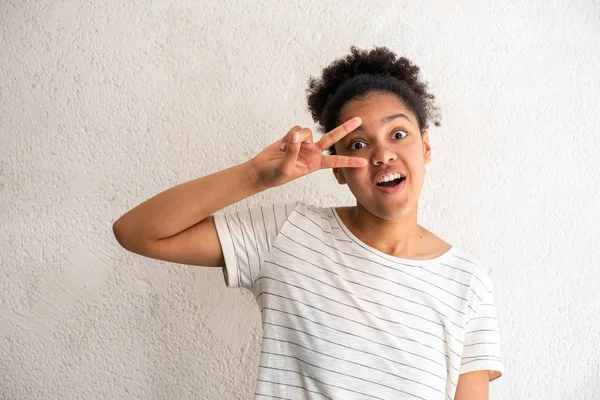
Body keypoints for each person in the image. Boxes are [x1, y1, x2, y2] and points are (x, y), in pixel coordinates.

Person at [113, 46, 504, 400]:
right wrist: (255, 176)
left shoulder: (467, 282)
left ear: (425, 146)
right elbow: (136, 232)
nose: (383, 154)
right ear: (337, 171)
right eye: (359, 144)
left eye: (398, 134)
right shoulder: (289, 234)